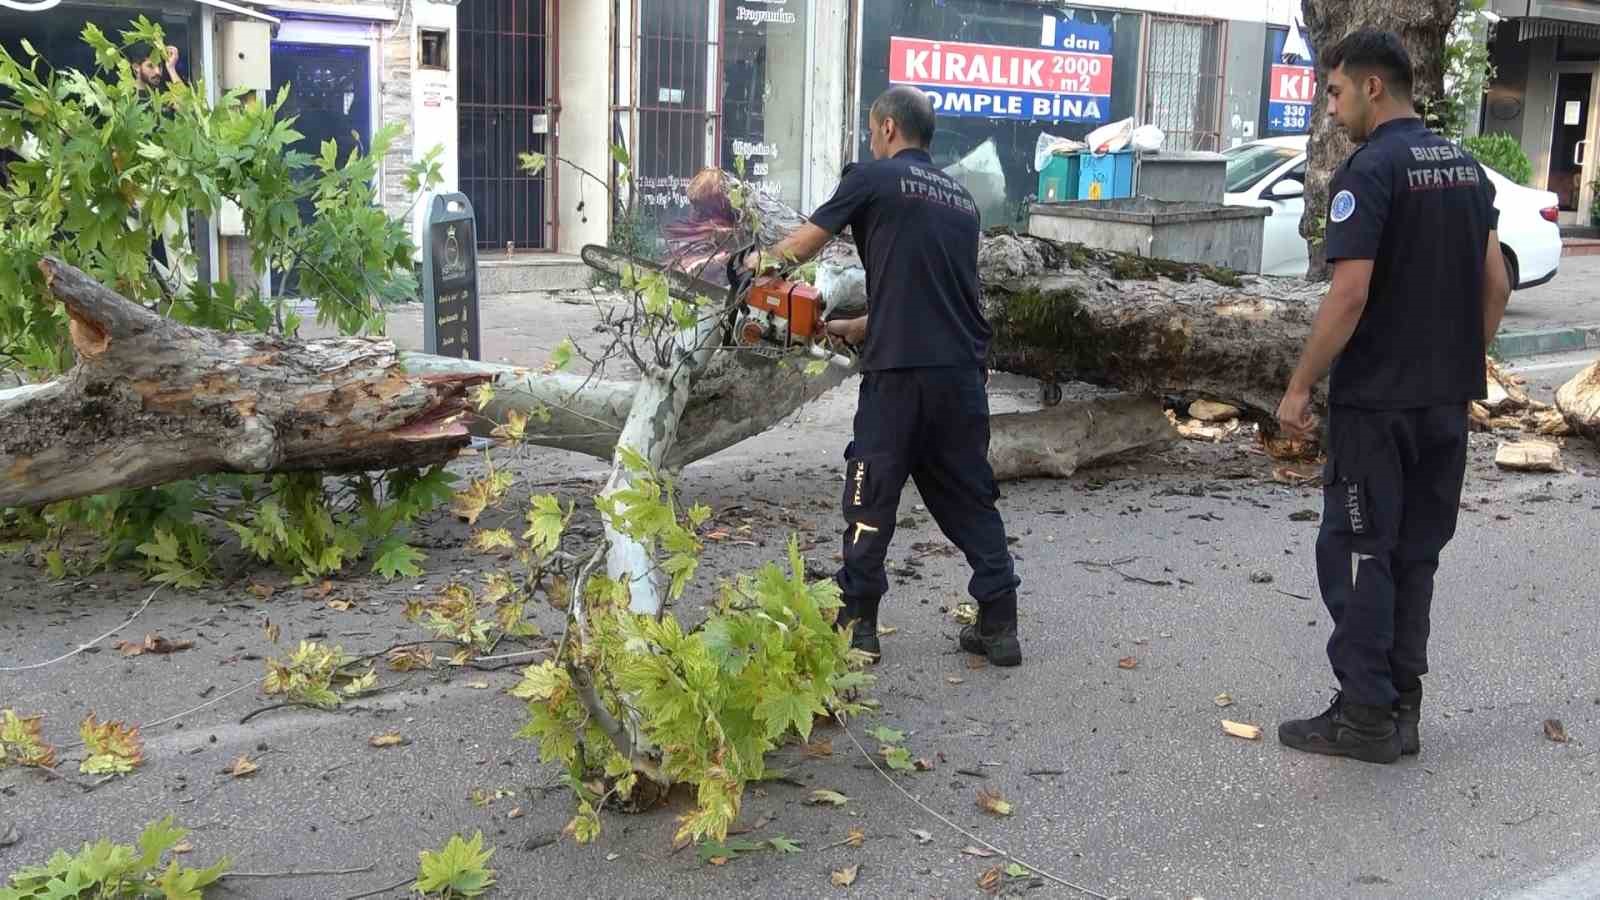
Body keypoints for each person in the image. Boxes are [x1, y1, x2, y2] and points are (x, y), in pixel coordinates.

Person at [1275, 30, 1511, 764]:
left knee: (1356, 554)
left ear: (1374, 87)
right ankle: (1402, 706)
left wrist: (1300, 385)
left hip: (1376, 409)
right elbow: (1495, 284)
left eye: (1337, 90)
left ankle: (1366, 717)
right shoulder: (1467, 169)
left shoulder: (1370, 171)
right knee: (1415, 555)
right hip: (1446, 405)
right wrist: (1457, 358)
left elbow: (1348, 295)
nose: (1333, 106)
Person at [748, 86, 1022, 667]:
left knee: (870, 491)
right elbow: (934, 296)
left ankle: (859, 623)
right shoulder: (962, 201)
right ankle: (1000, 623)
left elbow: (800, 248)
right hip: (962, 374)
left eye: (874, 130)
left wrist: (747, 267)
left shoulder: (872, 179)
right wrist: (856, 326)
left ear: (890, 129)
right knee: (969, 494)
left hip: (900, 378)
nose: (872, 139)